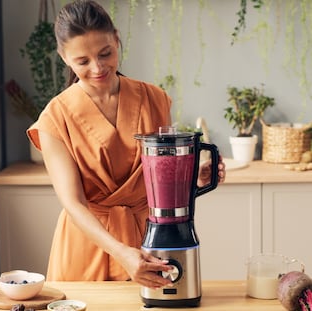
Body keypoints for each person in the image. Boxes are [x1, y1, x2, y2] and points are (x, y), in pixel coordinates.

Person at [27, 0, 226, 289]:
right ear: (64, 57)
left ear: (117, 40)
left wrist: (194, 178)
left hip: (150, 238)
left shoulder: (155, 99)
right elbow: (73, 203)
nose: (97, 67)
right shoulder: (55, 118)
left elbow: (161, 180)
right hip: (87, 245)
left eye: (105, 53)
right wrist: (120, 252)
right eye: (82, 61)